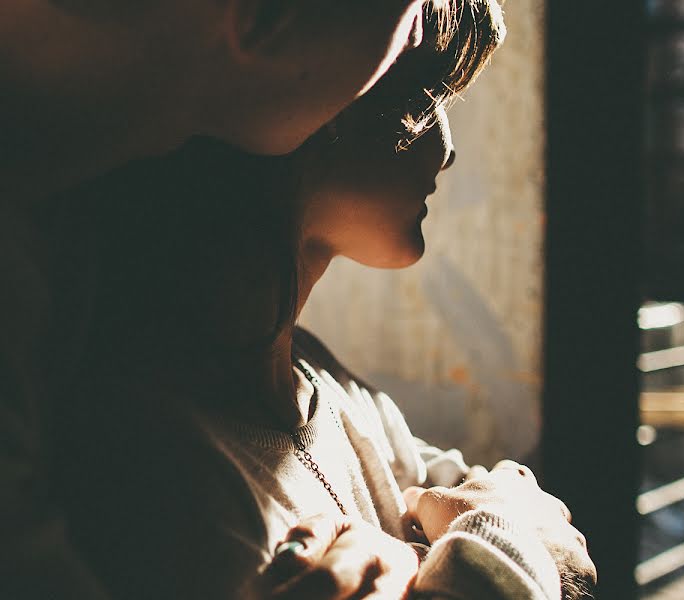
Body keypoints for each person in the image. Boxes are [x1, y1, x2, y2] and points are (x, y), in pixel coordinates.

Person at [55, 1, 596, 597]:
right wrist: (498, 539)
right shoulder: (156, 464)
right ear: (319, 103)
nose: (447, 149)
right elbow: (521, 525)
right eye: (423, 96)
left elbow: (523, 512)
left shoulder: (331, 389)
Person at [1, 1, 442, 597]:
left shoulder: (59, 247)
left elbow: (472, 486)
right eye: (410, 7)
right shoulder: (155, 448)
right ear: (264, 15)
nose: (418, 26)